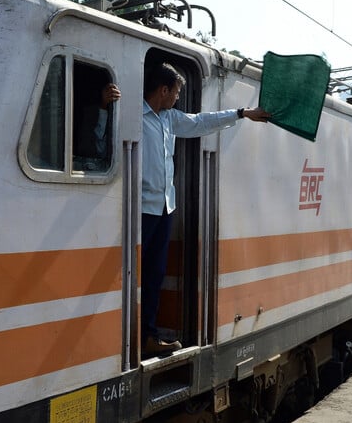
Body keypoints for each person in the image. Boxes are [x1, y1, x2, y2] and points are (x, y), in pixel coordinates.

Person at [111, 62, 271, 357]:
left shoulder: (169, 119)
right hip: (139, 210)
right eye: (175, 93)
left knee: (154, 274)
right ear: (163, 90)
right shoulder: (130, 113)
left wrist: (240, 114)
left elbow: (200, 121)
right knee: (129, 276)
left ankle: (146, 335)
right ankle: (119, 339)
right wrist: (102, 104)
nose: (176, 98)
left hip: (163, 209)